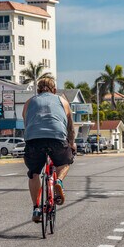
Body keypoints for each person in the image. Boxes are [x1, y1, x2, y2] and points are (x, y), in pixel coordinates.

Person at [22, 78, 76, 223]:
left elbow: (26, 123)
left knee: (34, 174)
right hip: (57, 138)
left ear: (38, 90)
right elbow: (70, 127)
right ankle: (58, 181)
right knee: (65, 163)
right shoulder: (63, 101)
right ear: (54, 90)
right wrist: (71, 143)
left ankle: (36, 208)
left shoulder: (29, 102)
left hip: (34, 140)